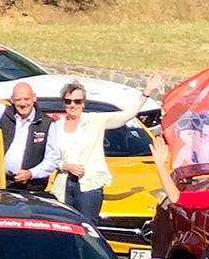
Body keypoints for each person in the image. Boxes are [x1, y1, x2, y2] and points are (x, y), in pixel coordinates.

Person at [34, 81, 141, 221]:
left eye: (77, 101)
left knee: (87, 226)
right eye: (68, 101)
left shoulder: (95, 120)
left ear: (83, 103)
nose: (72, 105)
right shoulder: (56, 126)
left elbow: (128, 115)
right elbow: (50, 156)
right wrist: (64, 166)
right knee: (65, 224)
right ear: (64, 103)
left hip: (89, 184)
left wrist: (145, 93)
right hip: (63, 183)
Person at [0, 55, 54, 193]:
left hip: (32, 187)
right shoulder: (3, 114)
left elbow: (52, 159)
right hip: (2, 183)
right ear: (12, 100)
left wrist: (31, 173)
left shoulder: (47, 124)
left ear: (34, 98)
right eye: (18, 100)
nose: (23, 104)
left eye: (26, 99)